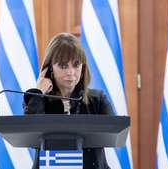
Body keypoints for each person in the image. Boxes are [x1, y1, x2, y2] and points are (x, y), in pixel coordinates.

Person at [23, 32, 113, 169]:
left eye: (76, 65)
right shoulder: (36, 99)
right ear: (50, 68)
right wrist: (39, 92)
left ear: (83, 68)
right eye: (63, 66)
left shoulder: (97, 99)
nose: (71, 72)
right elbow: (28, 135)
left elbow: (113, 134)